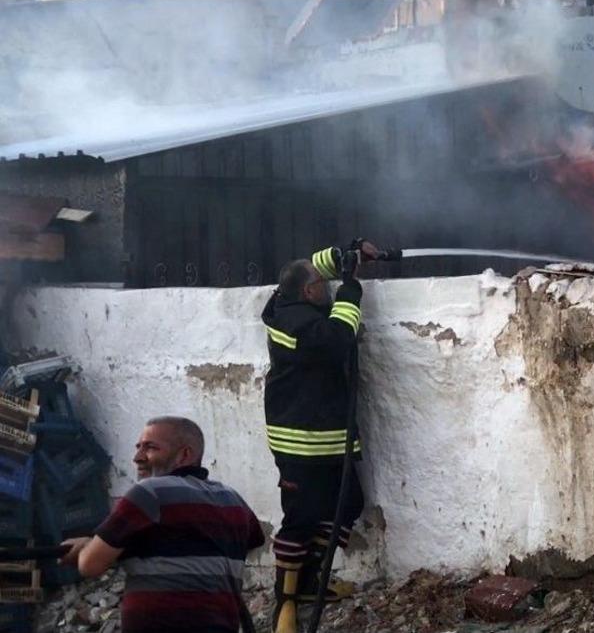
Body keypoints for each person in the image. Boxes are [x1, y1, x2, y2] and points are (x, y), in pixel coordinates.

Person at [261, 240, 380, 633]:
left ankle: (312, 580)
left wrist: (347, 255)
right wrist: (350, 291)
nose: (326, 287)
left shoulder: (288, 301)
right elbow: (338, 340)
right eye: (322, 284)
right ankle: (287, 603)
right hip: (301, 440)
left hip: (324, 436)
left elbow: (302, 266)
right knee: (300, 518)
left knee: (348, 502)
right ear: (310, 291)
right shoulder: (299, 325)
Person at [60, 416, 265, 633]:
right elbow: (252, 541)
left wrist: (85, 548)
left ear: (185, 455)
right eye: (138, 447)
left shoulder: (148, 493)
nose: (137, 457)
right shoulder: (232, 499)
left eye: (150, 448)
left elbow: (90, 564)